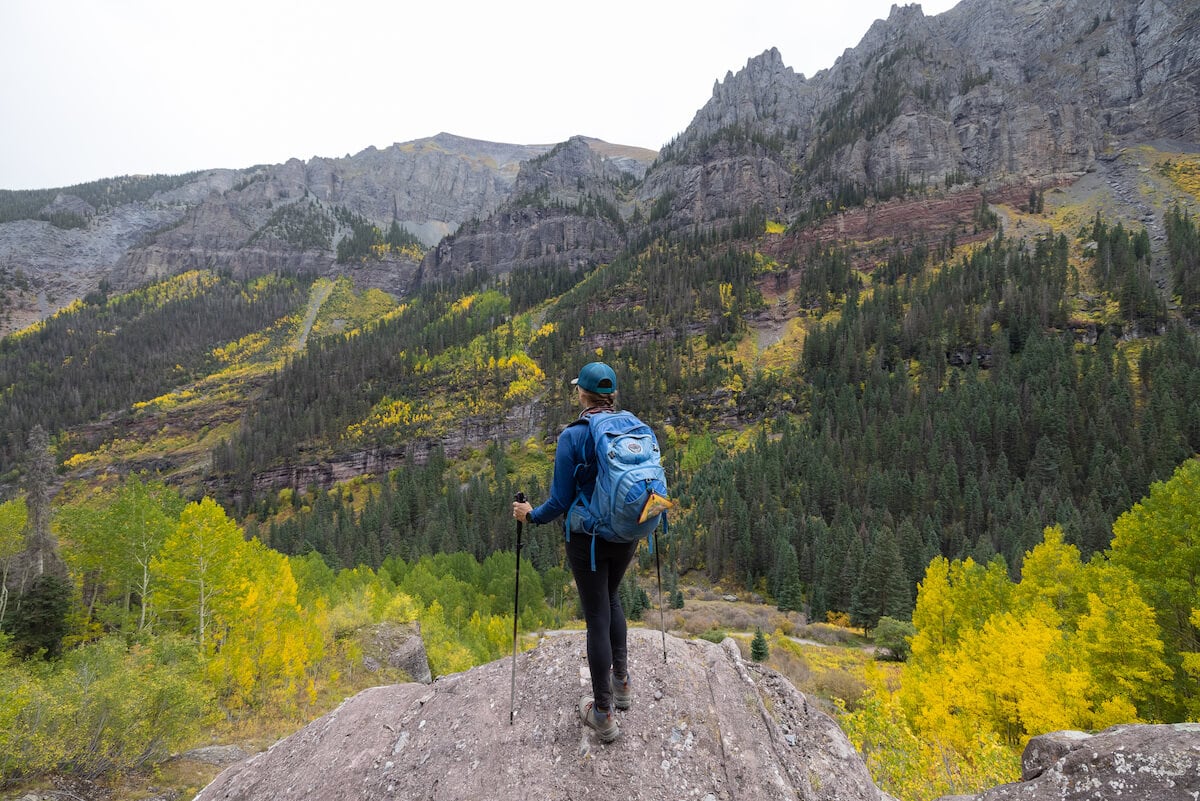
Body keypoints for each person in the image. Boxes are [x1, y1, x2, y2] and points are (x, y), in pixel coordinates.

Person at [511, 361, 635, 743]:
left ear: (582, 393)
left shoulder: (573, 436)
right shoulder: (631, 426)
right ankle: (622, 684)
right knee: (611, 597)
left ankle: (602, 713)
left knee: (596, 613)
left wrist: (530, 516)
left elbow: (561, 500)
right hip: (627, 531)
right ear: (610, 394)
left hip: (588, 540)